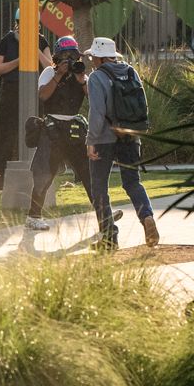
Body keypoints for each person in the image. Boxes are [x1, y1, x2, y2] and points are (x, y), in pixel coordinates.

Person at [84, 37, 160, 249]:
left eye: (92, 57)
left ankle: (109, 239)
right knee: (132, 182)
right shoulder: (130, 71)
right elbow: (142, 104)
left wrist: (90, 140)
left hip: (104, 139)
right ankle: (146, 216)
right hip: (130, 135)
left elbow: (97, 113)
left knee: (99, 187)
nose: (91, 61)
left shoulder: (96, 77)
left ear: (98, 57)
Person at [24, 36, 94, 231]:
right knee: (45, 173)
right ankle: (33, 216)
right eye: (65, 55)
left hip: (73, 128)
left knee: (87, 172)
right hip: (52, 129)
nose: (69, 60)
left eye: (73, 55)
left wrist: (81, 81)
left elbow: (91, 96)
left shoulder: (80, 75)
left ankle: (103, 213)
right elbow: (44, 95)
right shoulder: (48, 72)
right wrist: (58, 75)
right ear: (57, 57)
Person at [0, 10, 52, 193]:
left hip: (35, 92)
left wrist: (34, 49)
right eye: (23, 23)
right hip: (11, 91)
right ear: (17, 23)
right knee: (6, 136)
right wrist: (20, 60)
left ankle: (40, 181)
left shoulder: (42, 41)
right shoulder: (8, 41)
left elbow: (50, 68)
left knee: (37, 135)